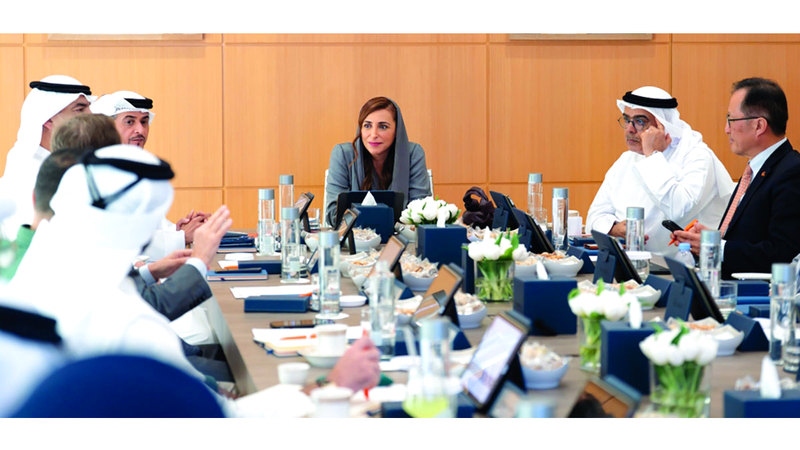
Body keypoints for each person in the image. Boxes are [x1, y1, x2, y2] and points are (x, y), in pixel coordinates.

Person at [673, 78, 800, 278]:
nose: (726, 129)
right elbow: (750, 237)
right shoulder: (757, 169)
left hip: (759, 294)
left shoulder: (792, 172)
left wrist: (716, 247)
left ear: (759, 125)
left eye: (731, 120)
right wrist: (711, 239)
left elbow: (781, 254)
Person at [585, 86, 735, 256]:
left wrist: (652, 155)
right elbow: (594, 217)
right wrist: (613, 228)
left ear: (663, 125)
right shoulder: (627, 159)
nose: (630, 129)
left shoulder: (697, 157)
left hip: (684, 265)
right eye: (627, 120)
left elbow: (677, 209)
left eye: (640, 121)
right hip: (633, 262)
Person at [91, 90, 207, 251]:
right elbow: (118, 240)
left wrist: (177, 230)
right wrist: (180, 237)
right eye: (130, 122)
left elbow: (145, 227)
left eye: (144, 122)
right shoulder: (97, 172)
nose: (140, 130)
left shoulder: (133, 167)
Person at [0, 75, 92, 239]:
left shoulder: (77, 163)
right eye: (80, 110)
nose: (91, 116)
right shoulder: (25, 171)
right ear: (48, 120)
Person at [325, 96, 431, 226]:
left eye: (383, 127)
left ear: (397, 130)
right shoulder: (342, 154)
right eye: (367, 126)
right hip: (355, 237)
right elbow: (333, 215)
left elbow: (421, 211)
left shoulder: (413, 154)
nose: (374, 134)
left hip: (401, 237)